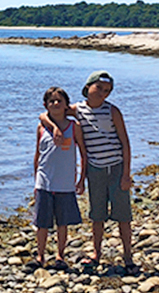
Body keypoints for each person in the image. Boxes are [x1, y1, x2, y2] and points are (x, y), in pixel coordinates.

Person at [41, 70, 138, 274]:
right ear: (88, 87)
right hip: (95, 168)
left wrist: (126, 174)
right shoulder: (77, 110)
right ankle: (97, 252)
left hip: (116, 166)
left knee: (123, 215)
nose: (103, 93)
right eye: (99, 88)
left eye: (107, 91)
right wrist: (54, 128)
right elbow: (44, 115)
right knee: (97, 214)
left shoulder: (112, 111)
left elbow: (125, 142)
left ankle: (128, 255)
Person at [28, 87, 87, 271]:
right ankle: (40, 256)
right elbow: (38, 154)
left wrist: (81, 179)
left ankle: (60, 256)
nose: (55, 104)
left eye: (59, 101)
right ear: (46, 105)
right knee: (42, 223)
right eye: (51, 101)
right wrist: (36, 179)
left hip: (65, 183)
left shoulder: (73, 126)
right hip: (44, 181)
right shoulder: (42, 126)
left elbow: (83, 154)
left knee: (62, 223)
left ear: (65, 105)